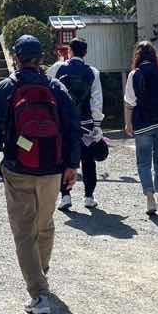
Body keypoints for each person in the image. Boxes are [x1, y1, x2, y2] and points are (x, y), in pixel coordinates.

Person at [0, 35, 80, 314]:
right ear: (40, 58)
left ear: (16, 57)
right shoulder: (55, 87)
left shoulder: (7, 87)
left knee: (24, 232)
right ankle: (41, 272)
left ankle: (39, 294)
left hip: (18, 168)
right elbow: (72, 126)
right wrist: (71, 164)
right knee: (45, 224)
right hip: (53, 168)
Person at [124, 40, 158, 215]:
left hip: (143, 123)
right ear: (154, 55)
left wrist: (128, 123)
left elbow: (130, 102)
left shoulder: (134, 74)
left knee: (144, 162)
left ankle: (149, 198)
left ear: (137, 56)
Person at [53, 38, 106, 211]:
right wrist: (97, 125)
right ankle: (89, 197)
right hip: (86, 124)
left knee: (64, 159)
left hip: (63, 124)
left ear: (70, 51)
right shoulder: (93, 72)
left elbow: (50, 93)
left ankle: (66, 196)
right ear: (86, 52)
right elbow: (96, 100)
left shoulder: (57, 68)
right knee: (88, 161)